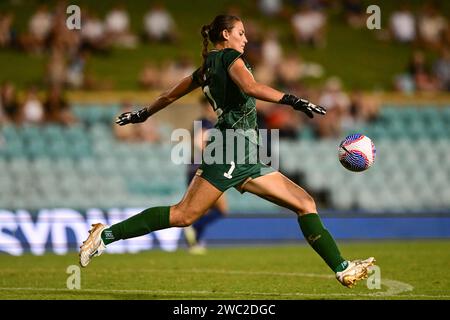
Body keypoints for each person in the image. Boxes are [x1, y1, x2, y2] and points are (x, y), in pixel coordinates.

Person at [79, 14, 375, 288]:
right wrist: (293, 100)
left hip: (245, 155)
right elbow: (252, 87)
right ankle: (105, 236)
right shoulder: (230, 57)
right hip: (230, 149)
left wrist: (142, 113)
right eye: (241, 33)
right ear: (226, 34)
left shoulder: (207, 66)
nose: (245, 39)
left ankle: (342, 267)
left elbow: (170, 94)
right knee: (183, 215)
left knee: (304, 202)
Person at [183, 96, 228, 254]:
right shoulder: (204, 123)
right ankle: (193, 227)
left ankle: (195, 241)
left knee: (204, 209)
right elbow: (199, 143)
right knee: (221, 209)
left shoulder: (210, 123)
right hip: (202, 168)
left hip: (200, 168)